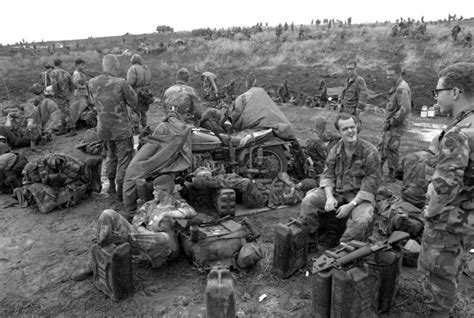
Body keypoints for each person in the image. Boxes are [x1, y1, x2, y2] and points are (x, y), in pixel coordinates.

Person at [418, 62, 474, 317]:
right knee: (451, 272)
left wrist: (429, 212)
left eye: (438, 90)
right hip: (466, 218)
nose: (436, 96)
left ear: (455, 92)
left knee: (438, 277)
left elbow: (445, 186)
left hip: (448, 223)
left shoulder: (459, 133)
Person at [300, 113, 380, 247]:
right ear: (339, 132)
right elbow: (328, 175)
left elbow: (370, 184)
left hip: (359, 197)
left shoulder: (370, 152)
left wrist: (351, 205)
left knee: (362, 220)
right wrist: (330, 197)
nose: (350, 131)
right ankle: (311, 240)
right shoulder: (335, 150)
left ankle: (342, 249)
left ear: (357, 128)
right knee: (308, 201)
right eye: (345, 129)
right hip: (337, 191)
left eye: (352, 127)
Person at [96, 175, 196, 268]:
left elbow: (191, 212)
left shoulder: (177, 204)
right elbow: (137, 222)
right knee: (108, 213)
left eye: (156, 190)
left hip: (162, 248)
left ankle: (121, 240)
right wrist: (147, 233)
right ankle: (101, 248)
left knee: (163, 238)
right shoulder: (149, 205)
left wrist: (165, 214)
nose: (153, 193)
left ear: (166, 191)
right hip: (142, 240)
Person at [89, 54, 138, 202]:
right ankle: (121, 192)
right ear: (115, 67)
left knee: (110, 156)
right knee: (124, 159)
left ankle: (110, 186)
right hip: (121, 129)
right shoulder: (120, 82)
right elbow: (134, 102)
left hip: (104, 128)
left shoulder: (92, 82)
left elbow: (93, 103)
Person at [21, 153, 102, 213]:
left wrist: (55, 176)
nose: (34, 178)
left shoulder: (52, 162)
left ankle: (89, 184)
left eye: (33, 175)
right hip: (70, 185)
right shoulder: (33, 176)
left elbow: (45, 209)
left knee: (76, 188)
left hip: (76, 182)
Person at [379, 65, 411, 179]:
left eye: (391, 75)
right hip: (390, 124)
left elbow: (404, 109)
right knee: (382, 146)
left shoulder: (402, 89)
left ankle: (392, 174)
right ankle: (378, 171)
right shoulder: (395, 87)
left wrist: (392, 121)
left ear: (398, 74)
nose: (388, 77)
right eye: (387, 75)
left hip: (396, 125)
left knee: (391, 148)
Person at [127, 54, 153, 129]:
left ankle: (136, 136)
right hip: (146, 93)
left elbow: (130, 82)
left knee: (134, 112)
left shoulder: (133, 69)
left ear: (132, 61)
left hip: (136, 93)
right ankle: (144, 129)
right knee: (143, 112)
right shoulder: (146, 68)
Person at [50, 58, 75, 136]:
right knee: (63, 111)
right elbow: (72, 84)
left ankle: (72, 129)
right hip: (66, 95)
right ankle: (64, 128)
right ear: (61, 64)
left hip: (59, 96)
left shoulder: (53, 73)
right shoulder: (66, 73)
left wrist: (55, 94)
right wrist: (70, 93)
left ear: (54, 64)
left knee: (66, 112)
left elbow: (54, 85)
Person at [71, 58, 94, 130]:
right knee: (79, 111)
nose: (84, 67)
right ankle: (74, 126)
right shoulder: (77, 74)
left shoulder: (80, 73)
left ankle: (80, 125)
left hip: (84, 94)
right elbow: (77, 85)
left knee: (82, 110)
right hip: (80, 95)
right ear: (77, 65)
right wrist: (86, 84)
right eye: (82, 65)